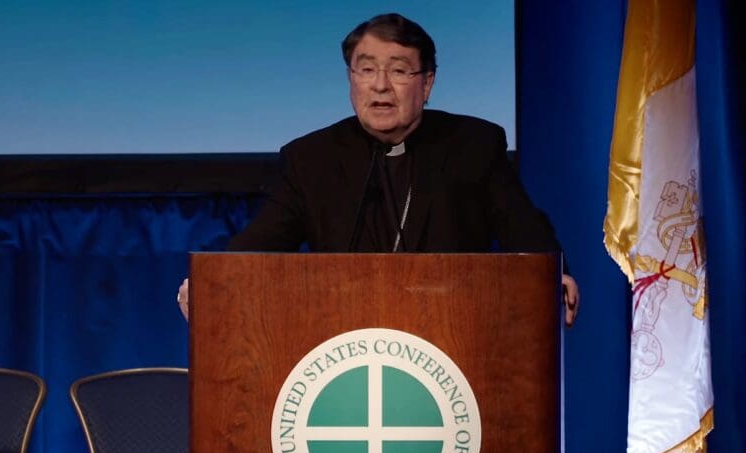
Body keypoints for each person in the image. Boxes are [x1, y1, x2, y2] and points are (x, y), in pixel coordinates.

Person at [177, 12, 578, 325]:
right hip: (341, 340)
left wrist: (553, 274)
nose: (381, 85)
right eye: (366, 70)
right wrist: (214, 282)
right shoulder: (312, 158)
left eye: (399, 70)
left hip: (452, 330)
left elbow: (521, 224)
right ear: (351, 79)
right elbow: (260, 242)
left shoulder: (472, 145)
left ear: (427, 83)